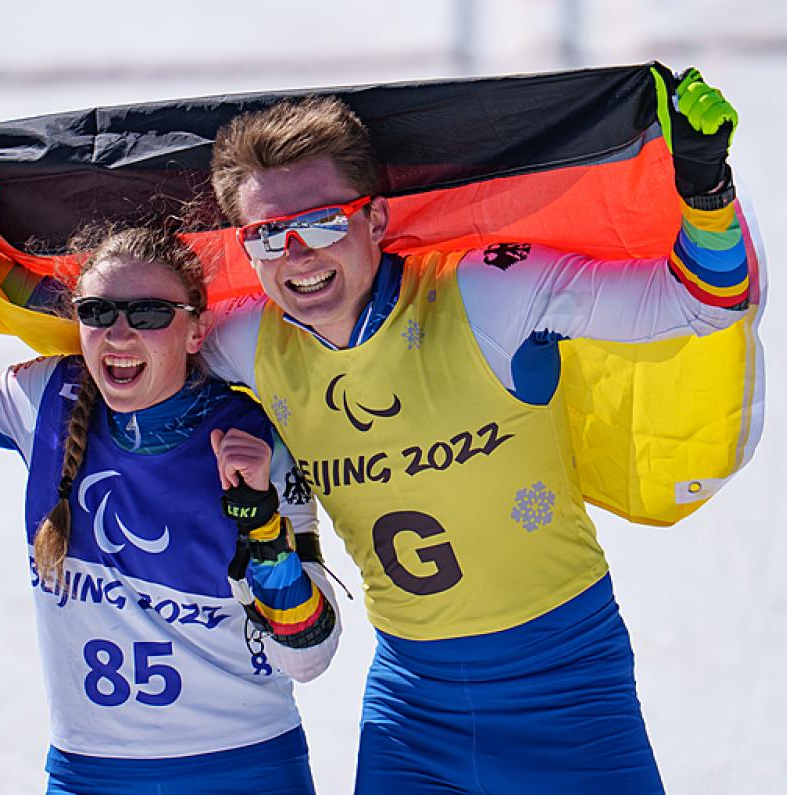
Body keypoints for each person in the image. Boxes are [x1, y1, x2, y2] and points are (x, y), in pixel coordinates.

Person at [201, 69, 748, 793]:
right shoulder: (247, 343)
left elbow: (700, 304)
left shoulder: (485, 292)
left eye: (324, 220)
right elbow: (116, 348)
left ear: (376, 220)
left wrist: (707, 189)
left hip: (569, 691)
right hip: (413, 707)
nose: (298, 254)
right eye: (269, 235)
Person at [0, 181, 341, 793]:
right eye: (97, 313)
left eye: (148, 314)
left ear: (196, 330)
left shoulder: (251, 435)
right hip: (88, 772)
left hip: (242, 765)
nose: (119, 334)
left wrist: (259, 518)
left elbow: (308, 657)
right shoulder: (47, 400)